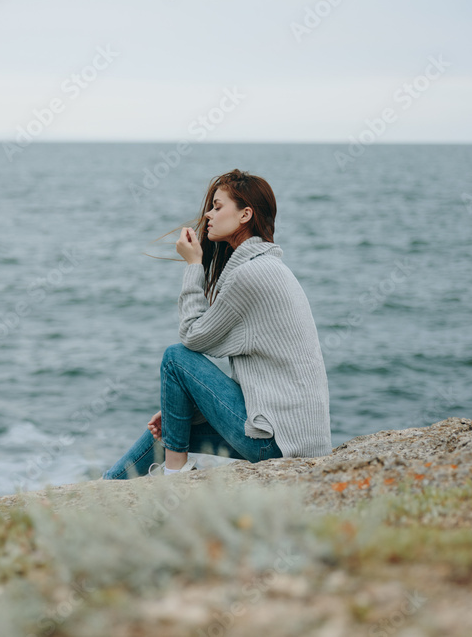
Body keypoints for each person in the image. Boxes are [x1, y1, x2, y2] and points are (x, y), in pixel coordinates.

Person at [102, 168, 331, 479]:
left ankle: (174, 477)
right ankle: (107, 489)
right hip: (293, 438)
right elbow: (264, 376)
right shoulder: (267, 267)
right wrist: (180, 409)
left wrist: (194, 265)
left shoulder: (252, 275)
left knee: (174, 358)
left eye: (218, 206)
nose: (208, 214)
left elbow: (192, 337)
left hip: (277, 443)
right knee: (171, 430)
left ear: (245, 215)